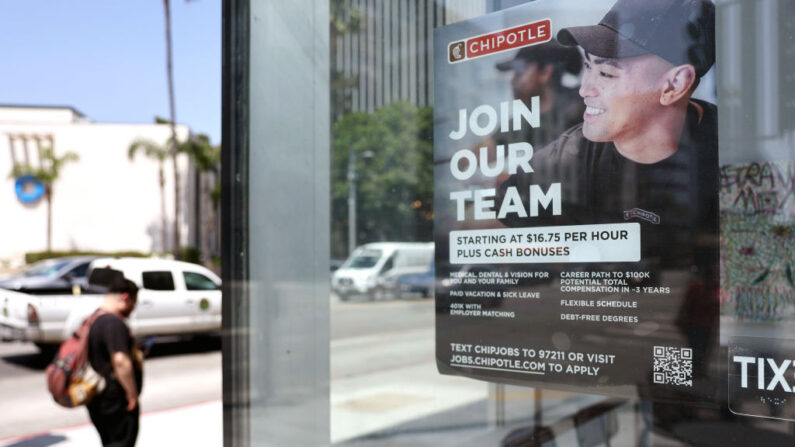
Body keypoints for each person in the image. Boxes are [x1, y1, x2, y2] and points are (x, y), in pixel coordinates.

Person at [498, 0, 718, 269]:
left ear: (674, 84)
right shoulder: (570, 154)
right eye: (588, 67)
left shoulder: (731, 158)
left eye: (606, 73)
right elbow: (500, 216)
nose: (584, 89)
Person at [86, 276, 142, 447]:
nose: (133, 308)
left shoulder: (94, 317)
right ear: (126, 297)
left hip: (98, 398)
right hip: (115, 400)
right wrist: (132, 395)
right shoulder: (113, 323)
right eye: (134, 302)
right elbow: (120, 361)